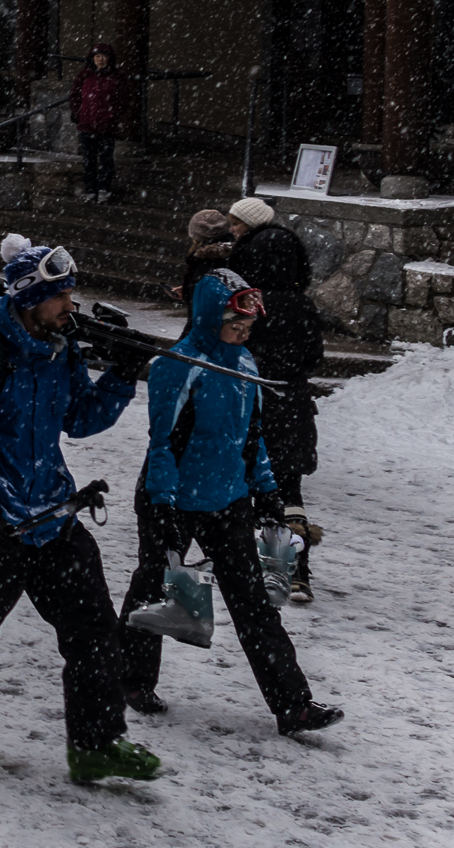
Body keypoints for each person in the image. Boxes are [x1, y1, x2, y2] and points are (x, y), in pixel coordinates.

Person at [0, 233, 158, 784]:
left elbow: (79, 420)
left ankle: (98, 743)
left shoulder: (61, 351)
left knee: (95, 631)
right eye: (61, 295)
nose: (71, 306)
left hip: (54, 514)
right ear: (30, 298)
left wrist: (122, 374)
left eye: (72, 294)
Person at [118, 271, 344, 736]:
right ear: (208, 317)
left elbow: (252, 437)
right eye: (235, 325)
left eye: (247, 327)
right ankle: (131, 681)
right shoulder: (177, 366)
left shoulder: (243, 365)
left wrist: (266, 492)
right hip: (175, 499)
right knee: (153, 590)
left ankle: (293, 704)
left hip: (228, 500)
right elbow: (162, 443)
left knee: (255, 603)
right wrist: (162, 506)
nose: (244, 334)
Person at [227, 196, 325, 603]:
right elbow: (314, 358)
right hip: (293, 405)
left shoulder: (250, 305)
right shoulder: (303, 305)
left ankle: (246, 563)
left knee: (247, 486)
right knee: (288, 489)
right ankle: (295, 571)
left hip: (254, 403)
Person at [68, 43, 131, 204]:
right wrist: (79, 113)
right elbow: (75, 95)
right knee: (88, 159)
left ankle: (104, 189)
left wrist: (112, 114)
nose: (100, 59)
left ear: (109, 58)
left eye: (103, 56)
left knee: (105, 159)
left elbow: (123, 99)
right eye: (97, 56)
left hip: (106, 125)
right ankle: (90, 190)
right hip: (87, 124)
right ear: (92, 58)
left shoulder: (116, 77)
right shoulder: (85, 75)